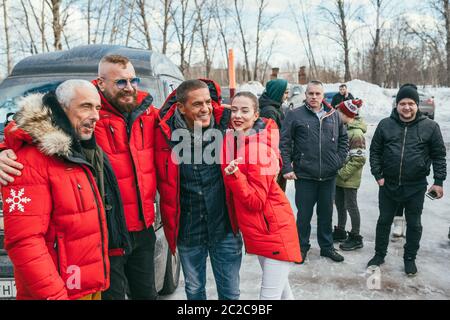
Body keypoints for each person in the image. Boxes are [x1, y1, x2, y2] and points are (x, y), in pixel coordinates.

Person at [0, 55, 158, 300]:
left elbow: (188, 117)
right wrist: (4, 149)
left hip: (117, 247)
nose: (129, 87)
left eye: (132, 80)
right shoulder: (32, 157)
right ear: (101, 83)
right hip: (87, 260)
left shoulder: (142, 116)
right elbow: (25, 241)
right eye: (120, 82)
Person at [0, 80, 109, 300]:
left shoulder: (77, 150)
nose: (96, 115)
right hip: (57, 292)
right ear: (61, 107)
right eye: (86, 106)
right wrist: (55, 295)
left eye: (97, 108)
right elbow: (24, 241)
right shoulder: (27, 161)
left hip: (86, 286)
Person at [155, 79, 243, 300]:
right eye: (197, 104)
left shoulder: (228, 124)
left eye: (207, 102)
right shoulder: (163, 133)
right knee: (194, 291)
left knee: (230, 294)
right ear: (181, 107)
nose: (205, 109)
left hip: (224, 227)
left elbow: (264, 130)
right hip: (188, 229)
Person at [222, 92, 301, 300]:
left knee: (268, 298)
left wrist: (234, 176)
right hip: (263, 231)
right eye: (234, 110)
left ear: (256, 115)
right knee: (283, 292)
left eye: (245, 110)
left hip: (273, 231)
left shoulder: (259, 149)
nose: (238, 115)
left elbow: (256, 201)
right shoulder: (242, 142)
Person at [368, 84, 446, 276]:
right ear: (396, 105)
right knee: (384, 221)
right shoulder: (385, 124)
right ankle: (379, 254)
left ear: (417, 105)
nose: (407, 107)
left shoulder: (430, 127)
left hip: (416, 186)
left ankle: (409, 258)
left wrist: (438, 181)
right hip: (388, 185)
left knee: (414, 224)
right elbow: (375, 151)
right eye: (403, 103)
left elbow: (439, 155)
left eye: (411, 103)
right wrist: (378, 176)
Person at [280, 80, 349, 263]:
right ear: (306, 95)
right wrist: (287, 167)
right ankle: (301, 247)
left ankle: (326, 248)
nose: (314, 97)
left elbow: (344, 140)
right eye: (310, 93)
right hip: (305, 175)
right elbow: (285, 142)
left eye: (317, 94)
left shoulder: (334, 115)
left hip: (328, 175)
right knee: (304, 215)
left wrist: (339, 161)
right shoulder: (295, 115)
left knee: (326, 214)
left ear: (322, 95)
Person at [333, 99, 366, 251]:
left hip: (349, 178)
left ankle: (355, 236)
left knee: (351, 206)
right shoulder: (343, 128)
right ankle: (340, 230)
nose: (337, 114)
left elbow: (359, 159)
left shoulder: (357, 134)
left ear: (347, 115)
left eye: (339, 112)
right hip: (340, 178)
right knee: (340, 204)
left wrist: (341, 173)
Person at [259, 79, 290, 191]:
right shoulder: (269, 111)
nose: (287, 95)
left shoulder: (276, 106)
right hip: (273, 159)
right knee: (276, 193)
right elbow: (271, 139)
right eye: (285, 92)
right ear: (277, 92)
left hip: (278, 156)